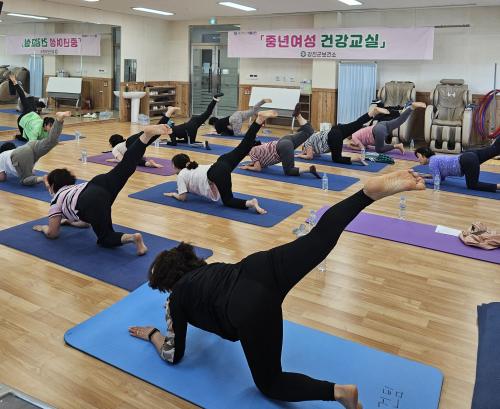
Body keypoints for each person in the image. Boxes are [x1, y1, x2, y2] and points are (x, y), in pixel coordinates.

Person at [129, 169, 426, 409]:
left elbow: (173, 354)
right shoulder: (209, 269)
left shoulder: (176, 300)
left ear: (168, 285)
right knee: (318, 238)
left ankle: (339, 392)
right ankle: (365, 195)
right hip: (257, 267)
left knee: (270, 383)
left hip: (248, 306)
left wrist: (153, 334)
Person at [32, 124, 172, 253]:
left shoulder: (56, 200)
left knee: (105, 238)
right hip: (97, 182)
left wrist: (44, 228)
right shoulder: (73, 189)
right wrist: (69, 221)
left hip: (92, 199)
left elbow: (53, 233)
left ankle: (134, 238)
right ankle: (146, 136)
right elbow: (86, 223)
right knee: (127, 165)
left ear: (53, 187)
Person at [166, 110, 279, 214]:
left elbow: (183, 197)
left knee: (228, 200)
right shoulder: (192, 166)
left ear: (177, 166)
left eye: (173, 166)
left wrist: (174, 194)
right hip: (221, 161)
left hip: (218, 172)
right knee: (244, 145)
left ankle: (251, 203)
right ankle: (259, 120)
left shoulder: (181, 175)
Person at [239, 104, 320, 178]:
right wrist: (253, 163)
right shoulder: (258, 147)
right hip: (284, 139)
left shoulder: (252, 153)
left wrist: (247, 167)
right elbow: (263, 162)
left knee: (289, 171)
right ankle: (298, 116)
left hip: (283, 147)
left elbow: (258, 168)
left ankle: (309, 170)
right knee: (309, 131)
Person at [295, 106, 390, 165]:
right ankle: (373, 112)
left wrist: (300, 155)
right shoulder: (313, 139)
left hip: (333, 136)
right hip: (335, 129)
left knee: (337, 159)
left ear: (304, 148)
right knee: (357, 123)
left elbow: (309, 157)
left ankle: (356, 159)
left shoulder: (307, 144)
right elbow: (316, 154)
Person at [0, 111, 70, 185]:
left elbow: (2, 177)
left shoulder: (2, 157)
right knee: (51, 141)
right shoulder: (9, 154)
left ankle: (43, 178)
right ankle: (59, 120)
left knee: (25, 180)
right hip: (30, 146)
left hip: (23, 153)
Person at [415, 135, 500, 192]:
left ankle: (498, 186)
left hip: (467, 161)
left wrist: (423, 180)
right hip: (469, 155)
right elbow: (441, 177)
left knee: (473, 185)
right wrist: (422, 175)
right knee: (495, 149)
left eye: (418, 156)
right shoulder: (435, 158)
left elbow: (437, 181)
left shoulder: (432, 163)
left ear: (424, 155)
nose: (418, 160)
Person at [348, 102, 426, 154]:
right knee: (399, 120)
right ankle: (412, 107)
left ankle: (397, 146)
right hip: (380, 125)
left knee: (379, 150)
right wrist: (356, 145)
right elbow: (366, 146)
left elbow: (363, 149)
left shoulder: (354, 137)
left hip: (378, 131)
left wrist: (351, 146)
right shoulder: (358, 133)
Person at [159, 93, 224, 146]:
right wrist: (176, 141)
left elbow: (174, 143)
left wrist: (167, 143)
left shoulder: (170, 132)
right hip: (192, 121)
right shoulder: (173, 128)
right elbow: (183, 140)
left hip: (191, 128)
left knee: (192, 143)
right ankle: (214, 99)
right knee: (207, 113)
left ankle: (203, 144)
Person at [8, 74, 51, 141]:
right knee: (22, 95)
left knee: (23, 94)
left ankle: (16, 83)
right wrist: (15, 82)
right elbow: (22, 95)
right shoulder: (30, 108)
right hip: (24, 117)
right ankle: (16, 82)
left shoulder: (34, 107)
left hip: (30, 103)